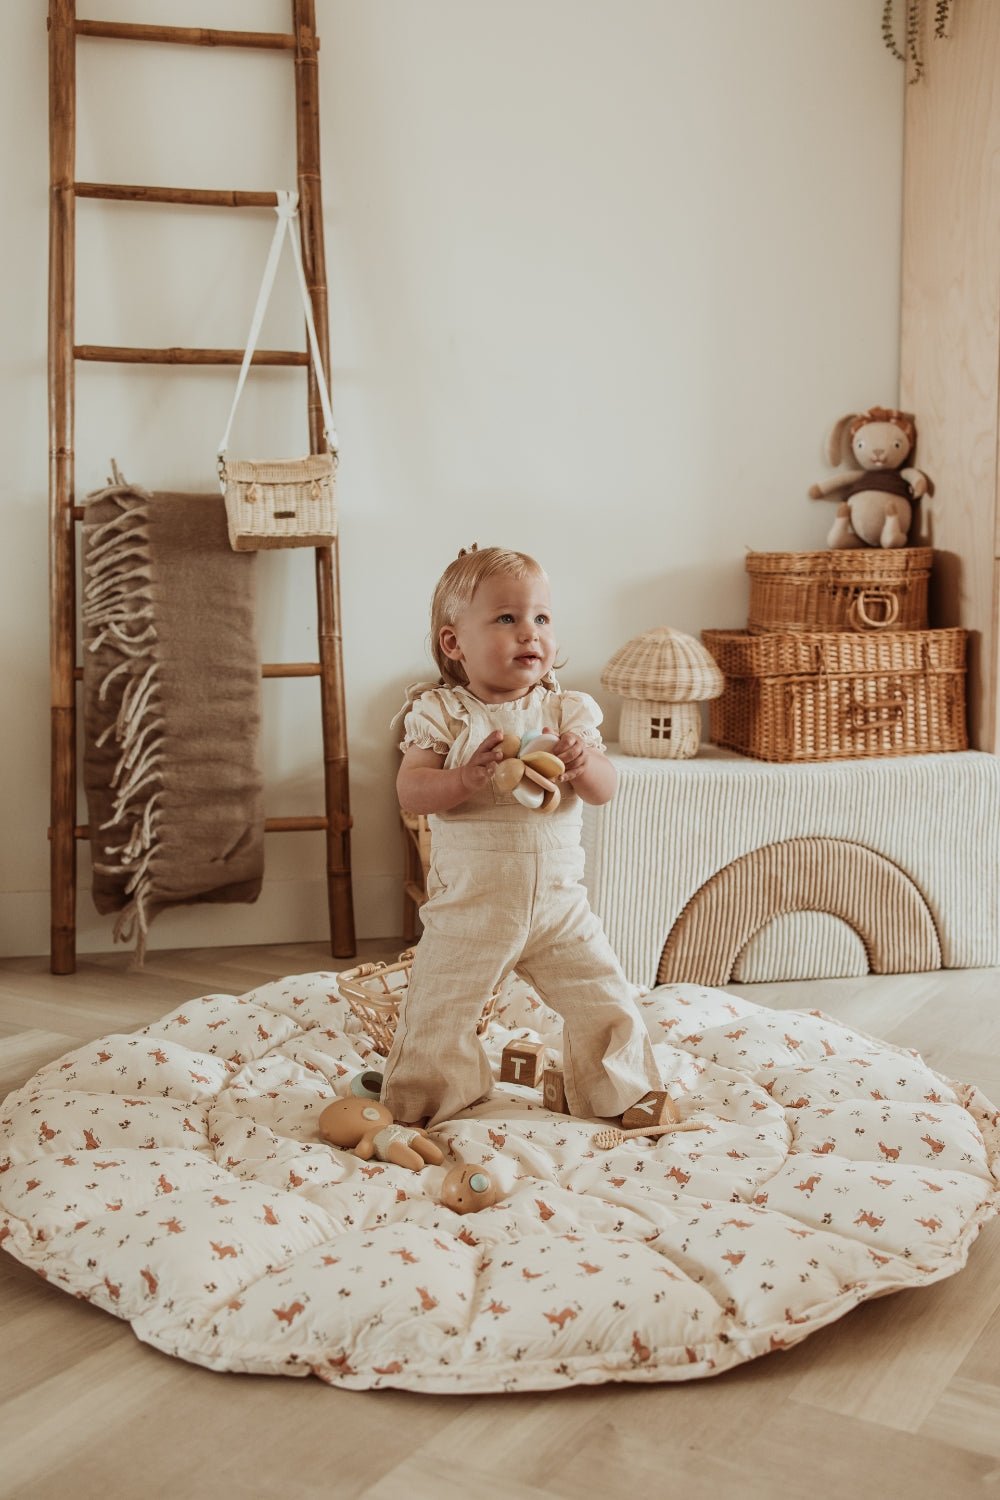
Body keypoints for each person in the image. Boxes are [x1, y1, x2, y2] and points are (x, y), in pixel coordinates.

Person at [380, 544, 663, 1128]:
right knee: (438, 1009)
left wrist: (584, 764)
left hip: (560, 907)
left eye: (542, 617)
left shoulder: (566, 713)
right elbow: (411, 791)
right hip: (471, 907)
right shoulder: (443, 714)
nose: (530, 632)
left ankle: (622, 1092)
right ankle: (428, 1103)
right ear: (454, 643)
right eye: (507, 618)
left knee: (604, 998)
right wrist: (463, 778)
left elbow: (605, 790)